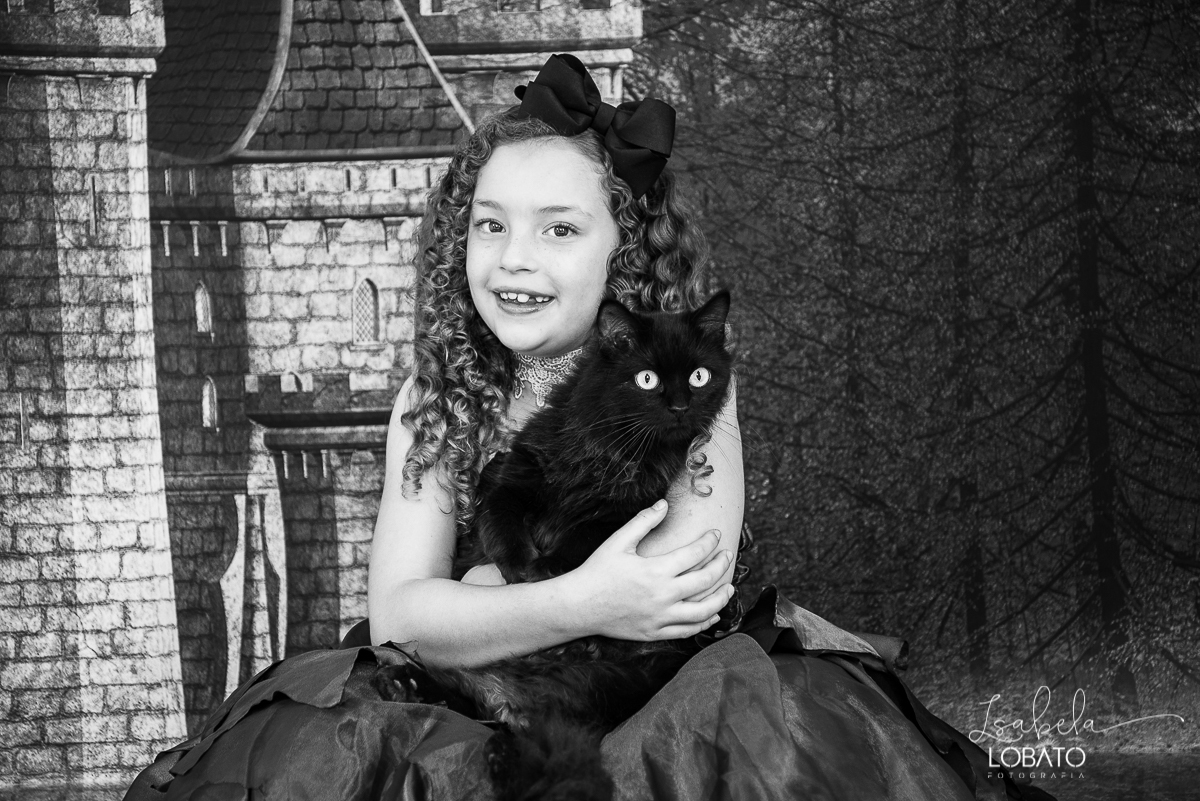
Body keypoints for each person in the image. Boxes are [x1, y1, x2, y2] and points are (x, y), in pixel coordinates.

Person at [125, 54, 1054, 801]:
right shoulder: (438, 395)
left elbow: (675, 590)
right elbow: (407, 614)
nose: (514, 259)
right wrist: (576, 600)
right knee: (329, 745)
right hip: (474, 702)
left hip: (655, 693)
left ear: (627, 249)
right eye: (490, 226)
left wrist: (486, 594)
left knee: (758, 738)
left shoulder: (686, 389)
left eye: (559, 230)